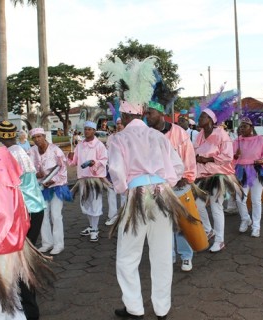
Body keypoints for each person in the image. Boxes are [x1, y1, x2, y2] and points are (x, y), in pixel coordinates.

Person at [100, 56, 186, 320]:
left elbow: (116, 172)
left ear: (126, 114)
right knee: (161, 254)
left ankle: (135, 308)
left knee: (128, 255)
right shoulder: (158, 136)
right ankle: (162, 309)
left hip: (137, 195)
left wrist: (126, 188)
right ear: (141, 113)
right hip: (162, 194)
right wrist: (162, 184)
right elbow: (177, 167)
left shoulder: (119, 138)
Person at [0, 105, 53, 320]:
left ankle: (30, 311)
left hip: (13, 224)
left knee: (16, 278)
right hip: (22, 218)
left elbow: (1, 207)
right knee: (17, 276)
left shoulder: (1, 157)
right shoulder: (14, 153)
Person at [146, 101, 197, 272]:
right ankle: (169, 256)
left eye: (150, 113)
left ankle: (186, 256)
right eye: (146, 113)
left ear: (160, 114)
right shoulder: (147, 135)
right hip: (158, 186)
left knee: (182, 222)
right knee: (163, 222)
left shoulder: (179, 133)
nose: (147, 117)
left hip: (180, 184)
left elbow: (189, 156)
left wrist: (187, 177)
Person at [194, 86, 243, 252]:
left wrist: (207, 158)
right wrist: (195, 157)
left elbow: (228, 156)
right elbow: (194, 151)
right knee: (199, 205)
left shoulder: (221, 134)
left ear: (211, 119)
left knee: (216, 206)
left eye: (203, 116)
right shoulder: (199, 134)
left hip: (218, 175)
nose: (199, 119)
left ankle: (220, 240)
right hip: (202, 176)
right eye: (200, 116)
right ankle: (208, 230)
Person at [28, 128, 72, 255]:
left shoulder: (55, 150)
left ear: (44, 136)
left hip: (56, 186)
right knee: (43, 215)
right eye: (34, 138)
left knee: (56, 215)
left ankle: (59, 244)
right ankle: (47, 243)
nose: (37, 140)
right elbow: (27, 169)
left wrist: (53, 180)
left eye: (39, 137)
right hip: (41, 187)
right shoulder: (31, 152)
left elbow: (63, 169)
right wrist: (36, 174)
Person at [68, 121, 108, 242]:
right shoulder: (79, 145)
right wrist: (70, 157)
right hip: (83, 179)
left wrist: (94, 163)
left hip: (95, 179)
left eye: (90, 129)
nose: (87, 131)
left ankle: (95, 229)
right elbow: (74, 162)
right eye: (85, 129)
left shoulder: (99, 145)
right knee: (86, 204)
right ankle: (91, 226)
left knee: (95, 203)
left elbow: (104, 159)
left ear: (94, 131)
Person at [233, 116, 263, 237]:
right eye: (241, 126)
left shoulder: (260, 140)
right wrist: (235, 156)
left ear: (251, 128)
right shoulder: (237, 141)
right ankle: (245, 219)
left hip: (257, 171)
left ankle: (256, 226)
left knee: (256, 200)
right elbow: (230, 157)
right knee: (239, 198)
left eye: (244, 126)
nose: (242, 128)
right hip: (241, 171)